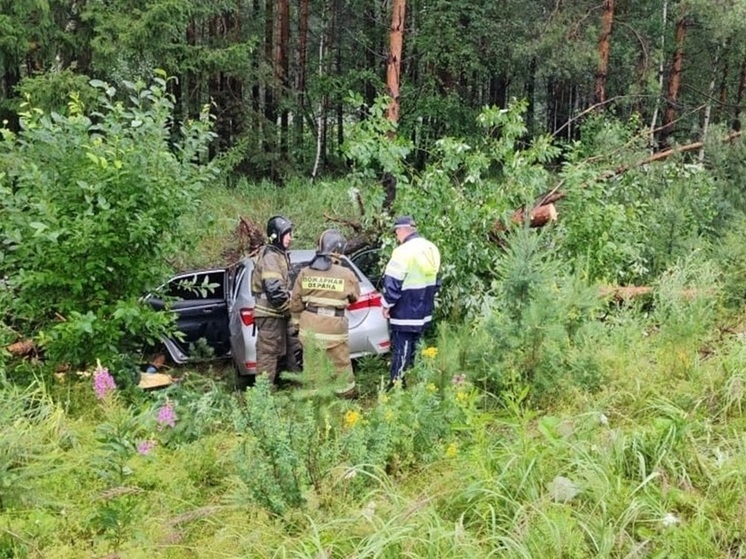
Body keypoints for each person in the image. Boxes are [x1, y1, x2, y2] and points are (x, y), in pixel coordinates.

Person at [289, 229, 360, 397]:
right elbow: (354, 297)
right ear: (338, 251)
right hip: (334, 329)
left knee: (312, 368)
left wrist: (298, 325)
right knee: (341, 365)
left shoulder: (305, 272)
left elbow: (296, 303)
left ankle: (314, 402)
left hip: (310, 329)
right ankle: (346, 398)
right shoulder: (346, 274)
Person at [381, 215, 441, 385]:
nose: (396, 236)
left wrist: (386, 305)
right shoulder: (431, 248)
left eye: (396, 232)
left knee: (403, 347)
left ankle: (396, 384)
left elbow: (392, 283)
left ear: (401, 230)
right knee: (418, 345)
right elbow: (437, 281)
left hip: (405, 308)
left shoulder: (403, 251)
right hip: (424, 308)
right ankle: (418, 380)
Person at [252, 215, 301, 384]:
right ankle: (263, 399)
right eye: (287, 233)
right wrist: (291, 310)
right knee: (268, 355)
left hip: (277, 314)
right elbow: (274, 290)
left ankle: (298, 392)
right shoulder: (271, 256)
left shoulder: (279, 255)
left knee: (293, 349)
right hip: (270, 315)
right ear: (276, 235)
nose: (290, 237)